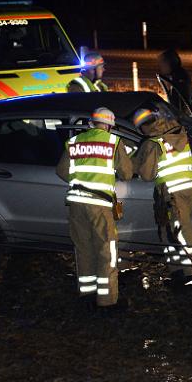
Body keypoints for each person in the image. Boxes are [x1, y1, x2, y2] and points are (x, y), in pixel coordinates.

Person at [56, 107, 132, 312]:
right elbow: (127, 173)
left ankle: (87, 295)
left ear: (92, 122)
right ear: (108, 125)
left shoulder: (75, 142)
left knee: (84, 249)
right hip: (99, 205)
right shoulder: (113, 142)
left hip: (76, 204)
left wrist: (82, 180)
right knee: (107, 252)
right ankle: (108, 302)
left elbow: (62, 171)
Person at [132, 108, 192, 286]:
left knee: (180, 232)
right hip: (190, 187)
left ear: (142, 127)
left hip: (172, 192)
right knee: (168, 232)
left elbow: (148, 175)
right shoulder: (177, 132)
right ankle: (178, 273)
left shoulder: (153, 143)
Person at [158, 49, 192, 117]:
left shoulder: (179, 78)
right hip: (186, 117)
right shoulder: (176, 76)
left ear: (169, 63)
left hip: (186, 120)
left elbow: (179, 104)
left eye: (162, 62)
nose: (161, 66)